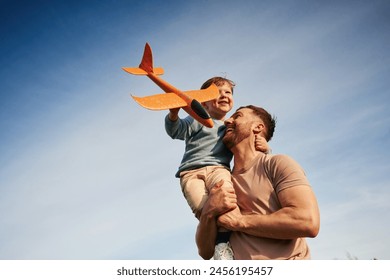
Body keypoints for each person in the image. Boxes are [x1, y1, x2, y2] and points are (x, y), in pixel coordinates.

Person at [195, 105, 320, 260]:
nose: (227, 121)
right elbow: (205, 252)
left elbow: (307, 221)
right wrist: (209, 210)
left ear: (258, 127)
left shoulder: (277, 164)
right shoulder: (221, 181)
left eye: (237, 116)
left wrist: (240, 221)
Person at [165, 78, 269, 260]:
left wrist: (263, 145)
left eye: (227, 92)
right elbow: (176, 131)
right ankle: (216, 245)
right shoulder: (198, 119)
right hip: (191, 173)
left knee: (227, 201)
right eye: (215, 93)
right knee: (203, 209)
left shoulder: (231, 125)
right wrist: (173, 115)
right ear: (203, 102)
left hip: (219, 169)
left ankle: (223, 244)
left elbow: (246, 145)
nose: (223, 95)